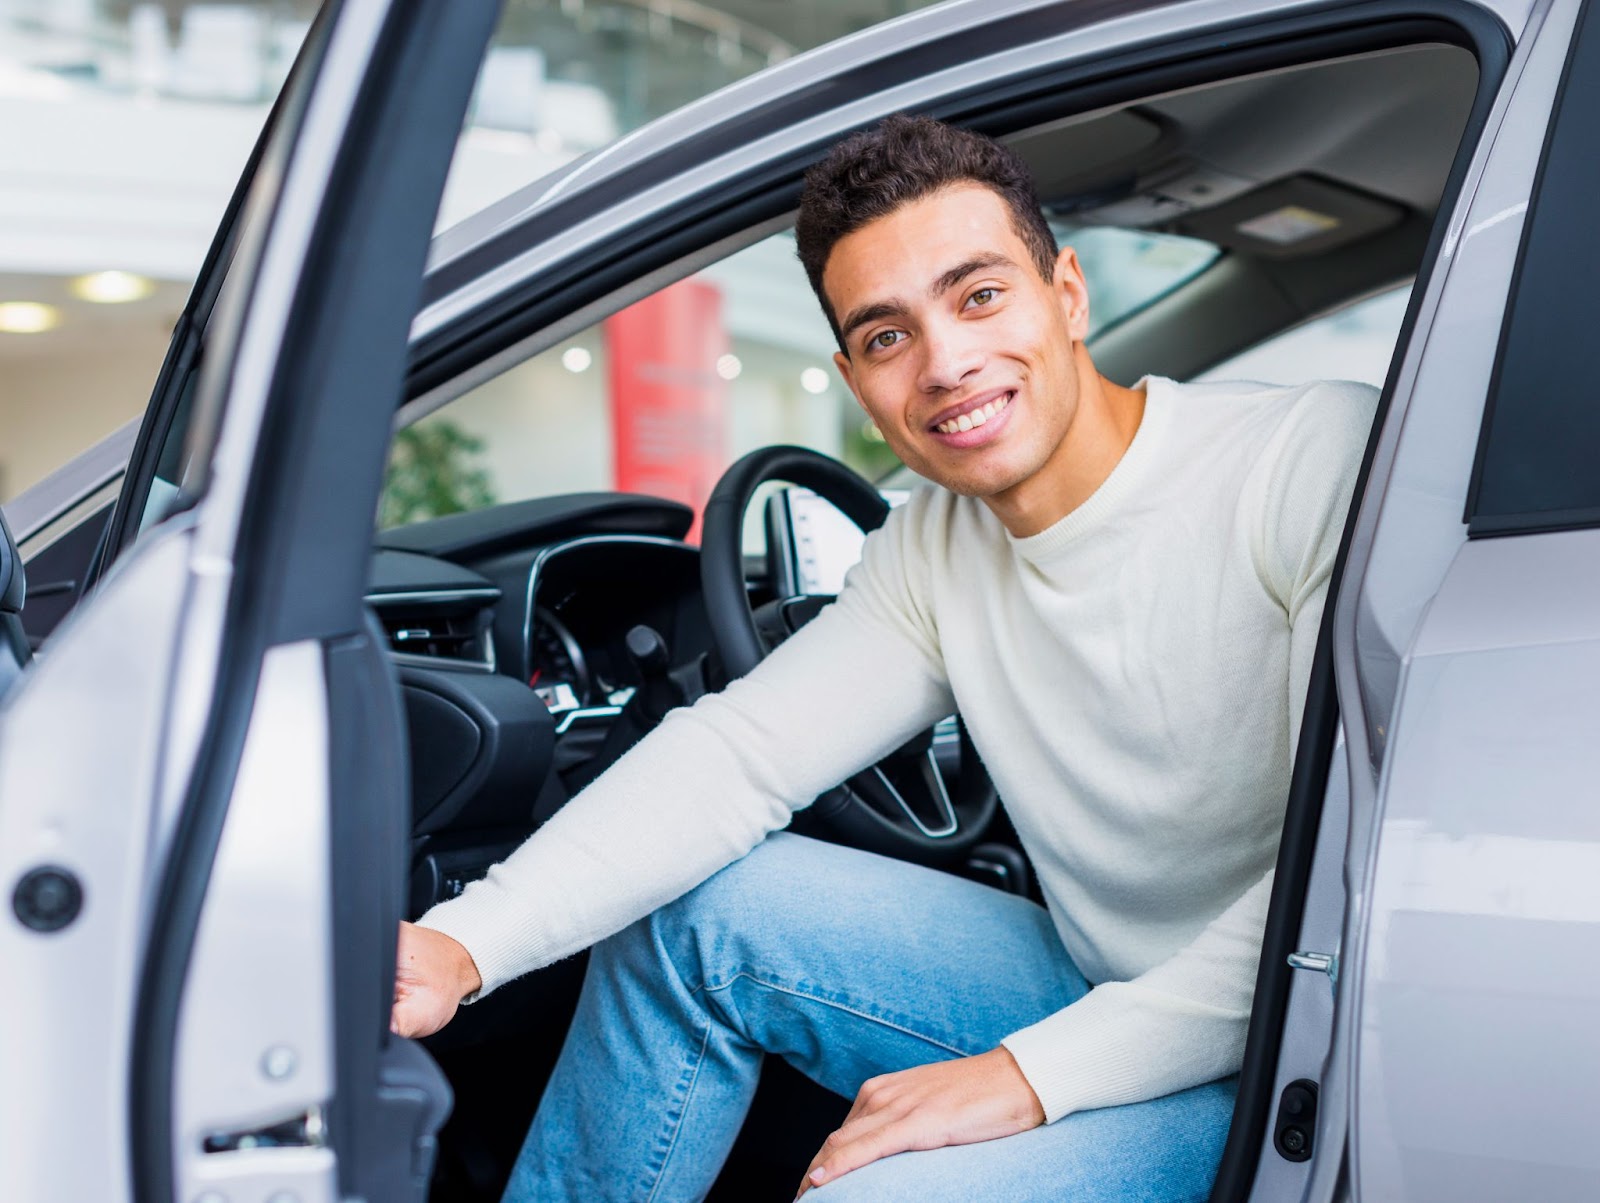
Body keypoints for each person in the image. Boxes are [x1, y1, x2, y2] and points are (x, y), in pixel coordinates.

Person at [391, 114, 1374, 1202]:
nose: (947, 361)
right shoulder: (933, 546)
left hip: (1300, 1049)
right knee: (695, 917)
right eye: (887, 334)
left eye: (980, 294)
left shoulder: (1307, 463)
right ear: (855, 378)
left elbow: (1339, 895)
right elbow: (737, 760)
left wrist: (1024, 1077)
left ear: (1069, 293)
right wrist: (462, 946)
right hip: (1102, 989)